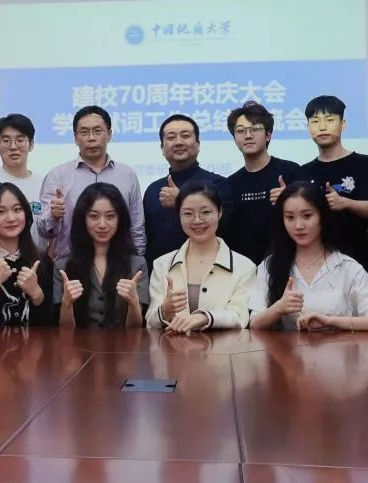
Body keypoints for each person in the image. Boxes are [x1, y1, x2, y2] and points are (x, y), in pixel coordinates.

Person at [249, 182, 368, 332]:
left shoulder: (346, 267)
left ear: (322, 217)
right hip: (287, 348)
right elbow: (254, 324)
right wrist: (278, 308)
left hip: (340, 347)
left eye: (307, 216)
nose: (298, 225)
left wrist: (331, 321)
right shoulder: (270, 266)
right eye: (290, 217)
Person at [38, 106, 145, 260]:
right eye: (84, 132)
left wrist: (137, 261)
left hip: (119, 265)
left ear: (109, 135)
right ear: (75, 138)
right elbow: (43, 231)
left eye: (97, 131)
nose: (91, 138)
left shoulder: (127, 175)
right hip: (70, 265)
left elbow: (136, 227)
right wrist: (53, 216)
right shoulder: (57, 176)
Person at [296, 95, 368, 284]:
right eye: (315, 121)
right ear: (308, 127)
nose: (322, 127)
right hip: (317, 262)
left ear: (343, 124)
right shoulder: (303, 171)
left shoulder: (362, 163)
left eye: (329, 120)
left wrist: (345, 203)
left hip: (358, 256)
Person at [146, 182, 253, 333]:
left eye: (206, 212)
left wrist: (205, 317)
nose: (197, 220)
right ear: (179, 216)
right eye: (188, 214)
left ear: (220, 212)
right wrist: (165, 310)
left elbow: (240, 316)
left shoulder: (244, 266)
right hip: (173, 347)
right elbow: (150, 322)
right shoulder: (162, 264)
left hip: (224, 348)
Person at [142, 114, 233, 264]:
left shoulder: (218, 184)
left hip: (209, 269)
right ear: (162, 148)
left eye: (185, 136)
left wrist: (180, 201)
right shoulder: (153, 190)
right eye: (171, 137)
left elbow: (227, 229)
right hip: (162, 272)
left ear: (198, 144)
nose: (178, 142)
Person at [55, 183, 148, 328]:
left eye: (110, 216)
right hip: (79, 342)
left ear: (120, 219)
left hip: (122, 342)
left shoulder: (137, 264)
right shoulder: (63, 266)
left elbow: (136, 329)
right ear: (82, 218)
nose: (102, 224)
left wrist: (134, 303)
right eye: (94, 216)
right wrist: (67, 303)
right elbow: (64, 330)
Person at [224, 100, 303, 265]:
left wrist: (292, 199)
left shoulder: (291, 171)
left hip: (287, 263)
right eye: (240, 131)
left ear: (268, 135)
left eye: (255, 129)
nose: (248, 135)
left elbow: (312, 215)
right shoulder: (230, 184)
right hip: (244, 269)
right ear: (234, 138)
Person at [0, 182, 55, 327]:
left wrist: (37, 294)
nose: (11, 218)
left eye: (17, 209)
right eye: (0, 211)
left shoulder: (42, 262)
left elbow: (50, 326)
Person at [0, 114, 45, 248]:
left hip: (38, 256)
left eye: (20, 140)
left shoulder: (44, 183)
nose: (13, 147)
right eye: (6, 140)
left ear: (31, 144)